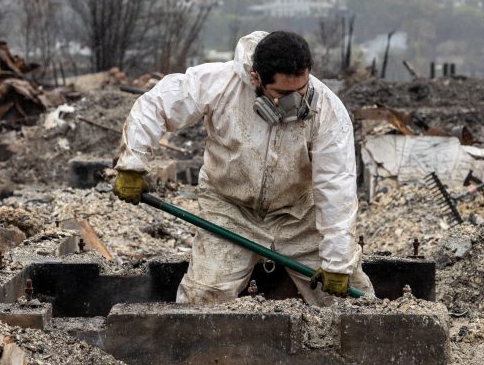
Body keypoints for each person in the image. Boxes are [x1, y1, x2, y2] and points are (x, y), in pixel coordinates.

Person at [113, 31, 374, 305]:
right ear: (255, 79)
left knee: (350, 301)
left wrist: (337, 262)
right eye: (283, 94)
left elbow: (336, 187)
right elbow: (156, 106)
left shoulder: (327, 110)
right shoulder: (219, 83)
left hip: (298, 214)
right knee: (203, 298)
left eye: (301, 90)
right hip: (229, 208)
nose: (296, 103)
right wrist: (133, 164)